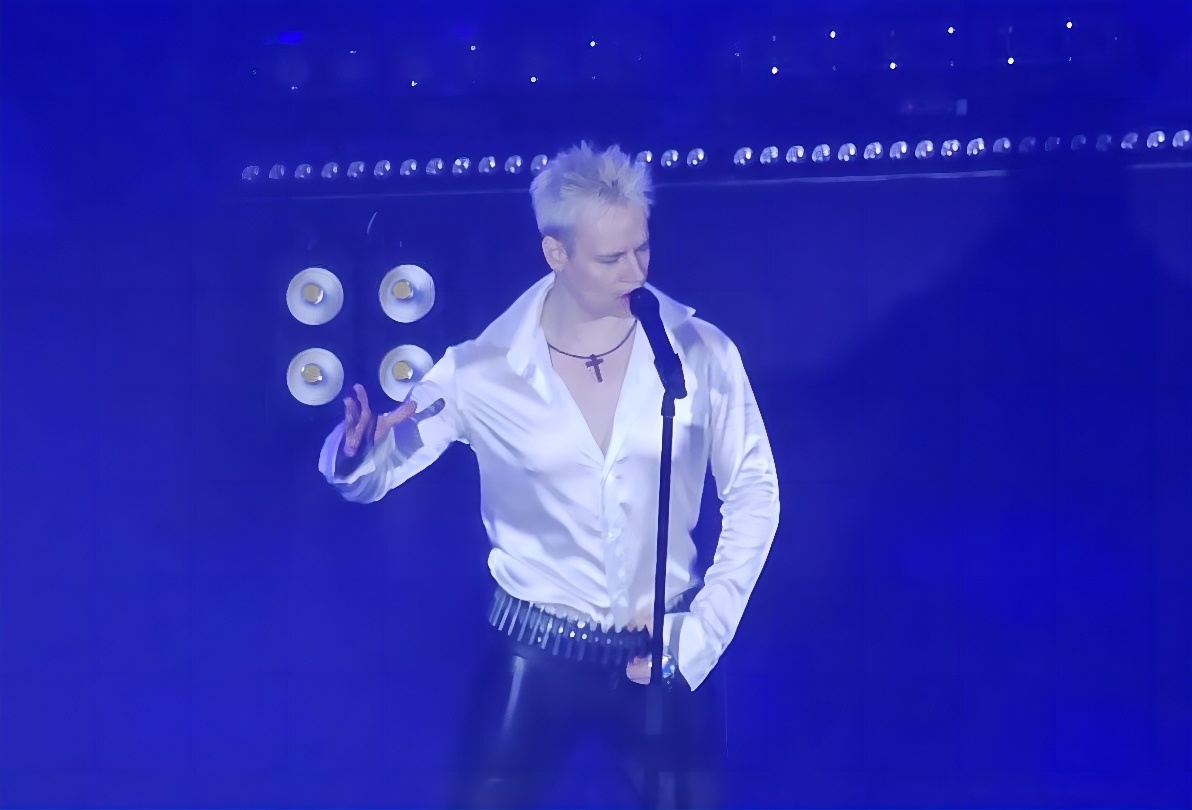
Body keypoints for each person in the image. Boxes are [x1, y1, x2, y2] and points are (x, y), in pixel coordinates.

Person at [318, 142, 780, 808]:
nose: (636, 271)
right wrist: (356, 453)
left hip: (666, 647)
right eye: (611, 258)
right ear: (555, 253)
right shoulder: (481, 371)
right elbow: (377, 472)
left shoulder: (699, 353)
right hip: (534, 655)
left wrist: (704, 630)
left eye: (643, 249)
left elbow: (755, 492)